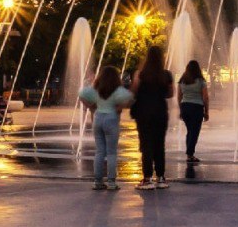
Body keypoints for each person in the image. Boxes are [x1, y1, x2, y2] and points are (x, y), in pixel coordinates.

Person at [80, 65, 133, 190]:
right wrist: (120, 107)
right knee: (111, 152)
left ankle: (98, 181)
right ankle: (111, 182)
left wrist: (90, 106)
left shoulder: (96, 89)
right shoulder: (117, 90)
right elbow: (130, 97)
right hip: (111, 119)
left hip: (97, 119)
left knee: (99, 151)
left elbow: (81, 94)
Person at [130, 47, 174, 190]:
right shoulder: (166, 75)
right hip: (160, 112)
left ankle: (147, 178)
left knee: (146, 145)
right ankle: (161, 178)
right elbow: (170, 94)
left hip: (144, 112)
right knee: (159, 145)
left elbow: (134, 92)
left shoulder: (140, 74)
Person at [177, 59, 209, 163]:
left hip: (185, 106)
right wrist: (206, 111)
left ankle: (189, 154)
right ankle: (190, 154)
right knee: (194, 132)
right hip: (197, 108)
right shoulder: (201, 81)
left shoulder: (182, 81)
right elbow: (205, 97)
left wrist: (181, 109)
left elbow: (179, 96)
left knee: (190, 131)